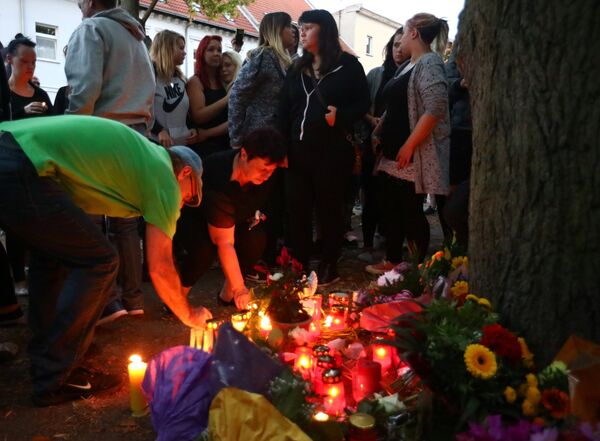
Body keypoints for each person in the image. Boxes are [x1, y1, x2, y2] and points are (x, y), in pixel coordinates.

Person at [0, 115, 209, 406]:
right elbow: (160, 267)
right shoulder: (163, 174)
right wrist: (189, 314)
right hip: (25, 163)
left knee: (52, 257)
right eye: (189, 197)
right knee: (101, 260)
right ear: (185, 174)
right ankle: (54, 374)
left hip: (11, 147)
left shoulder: (142, 157)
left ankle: (50, 354)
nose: (182, 205)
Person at [65, 0, 155, 321]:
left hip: (102, 133)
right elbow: (150, 91)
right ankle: (133, 299)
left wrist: (70, 131)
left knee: (90, 219)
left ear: (89, 1)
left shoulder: (92, 29)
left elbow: (85, 88)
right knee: (126, 223)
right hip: (136, 135)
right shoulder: (136, 37)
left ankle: (106, 301)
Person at [278, 10, 370, 286]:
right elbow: (283, 109)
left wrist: (340, 116)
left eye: (308, 27)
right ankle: (301, 262)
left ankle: (330, 261)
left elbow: (363, 103)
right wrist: (282, 146)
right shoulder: (296, 68)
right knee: (298, 209)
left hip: (331, 153)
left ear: (325, 30)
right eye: (300, 27)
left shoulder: (349, 67)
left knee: (329, 210)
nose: (301, 32)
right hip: (297, 151)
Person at [366, 13, 450, 274]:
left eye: (403, 31)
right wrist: (378, 131)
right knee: (391, 206)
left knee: (409, 210)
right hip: (393, 151)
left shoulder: (430, 62)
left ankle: (416, 268)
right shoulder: (408, 65)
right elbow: (397, 106)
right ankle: (392, 261)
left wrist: (410, 145)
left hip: (412, 153)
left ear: (414, 33)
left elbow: (435, 108)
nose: (399, 38)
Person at [173, 127, 287, 309]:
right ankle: (176, 299)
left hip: (236, 217)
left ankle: (227, 295)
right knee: (203, 251)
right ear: (244, 154)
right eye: (263, 168)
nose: (266, 175)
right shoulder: (218, 175)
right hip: (196, 218)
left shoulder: (266, 176)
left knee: (255, 239)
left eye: (271, 170)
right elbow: (224, 242)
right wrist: (241, 288)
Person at [358, 27, 407, 263]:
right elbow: (362, 105)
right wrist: (371, 120)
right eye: (395, 45)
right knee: (371, 192)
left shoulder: (411, 73)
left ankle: (391, 240)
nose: (398, 50)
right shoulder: (377, 74)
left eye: (402, 45)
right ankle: (367, 242)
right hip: (374, 142)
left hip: (400, 144)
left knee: (395, 197)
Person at [149, 30, 197, 148]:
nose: (184, 53)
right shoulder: (149, 76)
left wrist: (191, 128)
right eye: (180, 48)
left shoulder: (180, 79)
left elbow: (182, 108)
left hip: (182, 145)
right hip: (157, 145)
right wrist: (159, 130)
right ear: (167, 49)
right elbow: (141, 109)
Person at [187, 35, 230, 160]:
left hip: (225, 144)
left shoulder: (223, 80)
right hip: (205, 148)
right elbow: (199, 116)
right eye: (211, 49)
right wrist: (227, 99)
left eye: (219, 50)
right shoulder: (195, 81)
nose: (216, 54)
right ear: (201, 53)